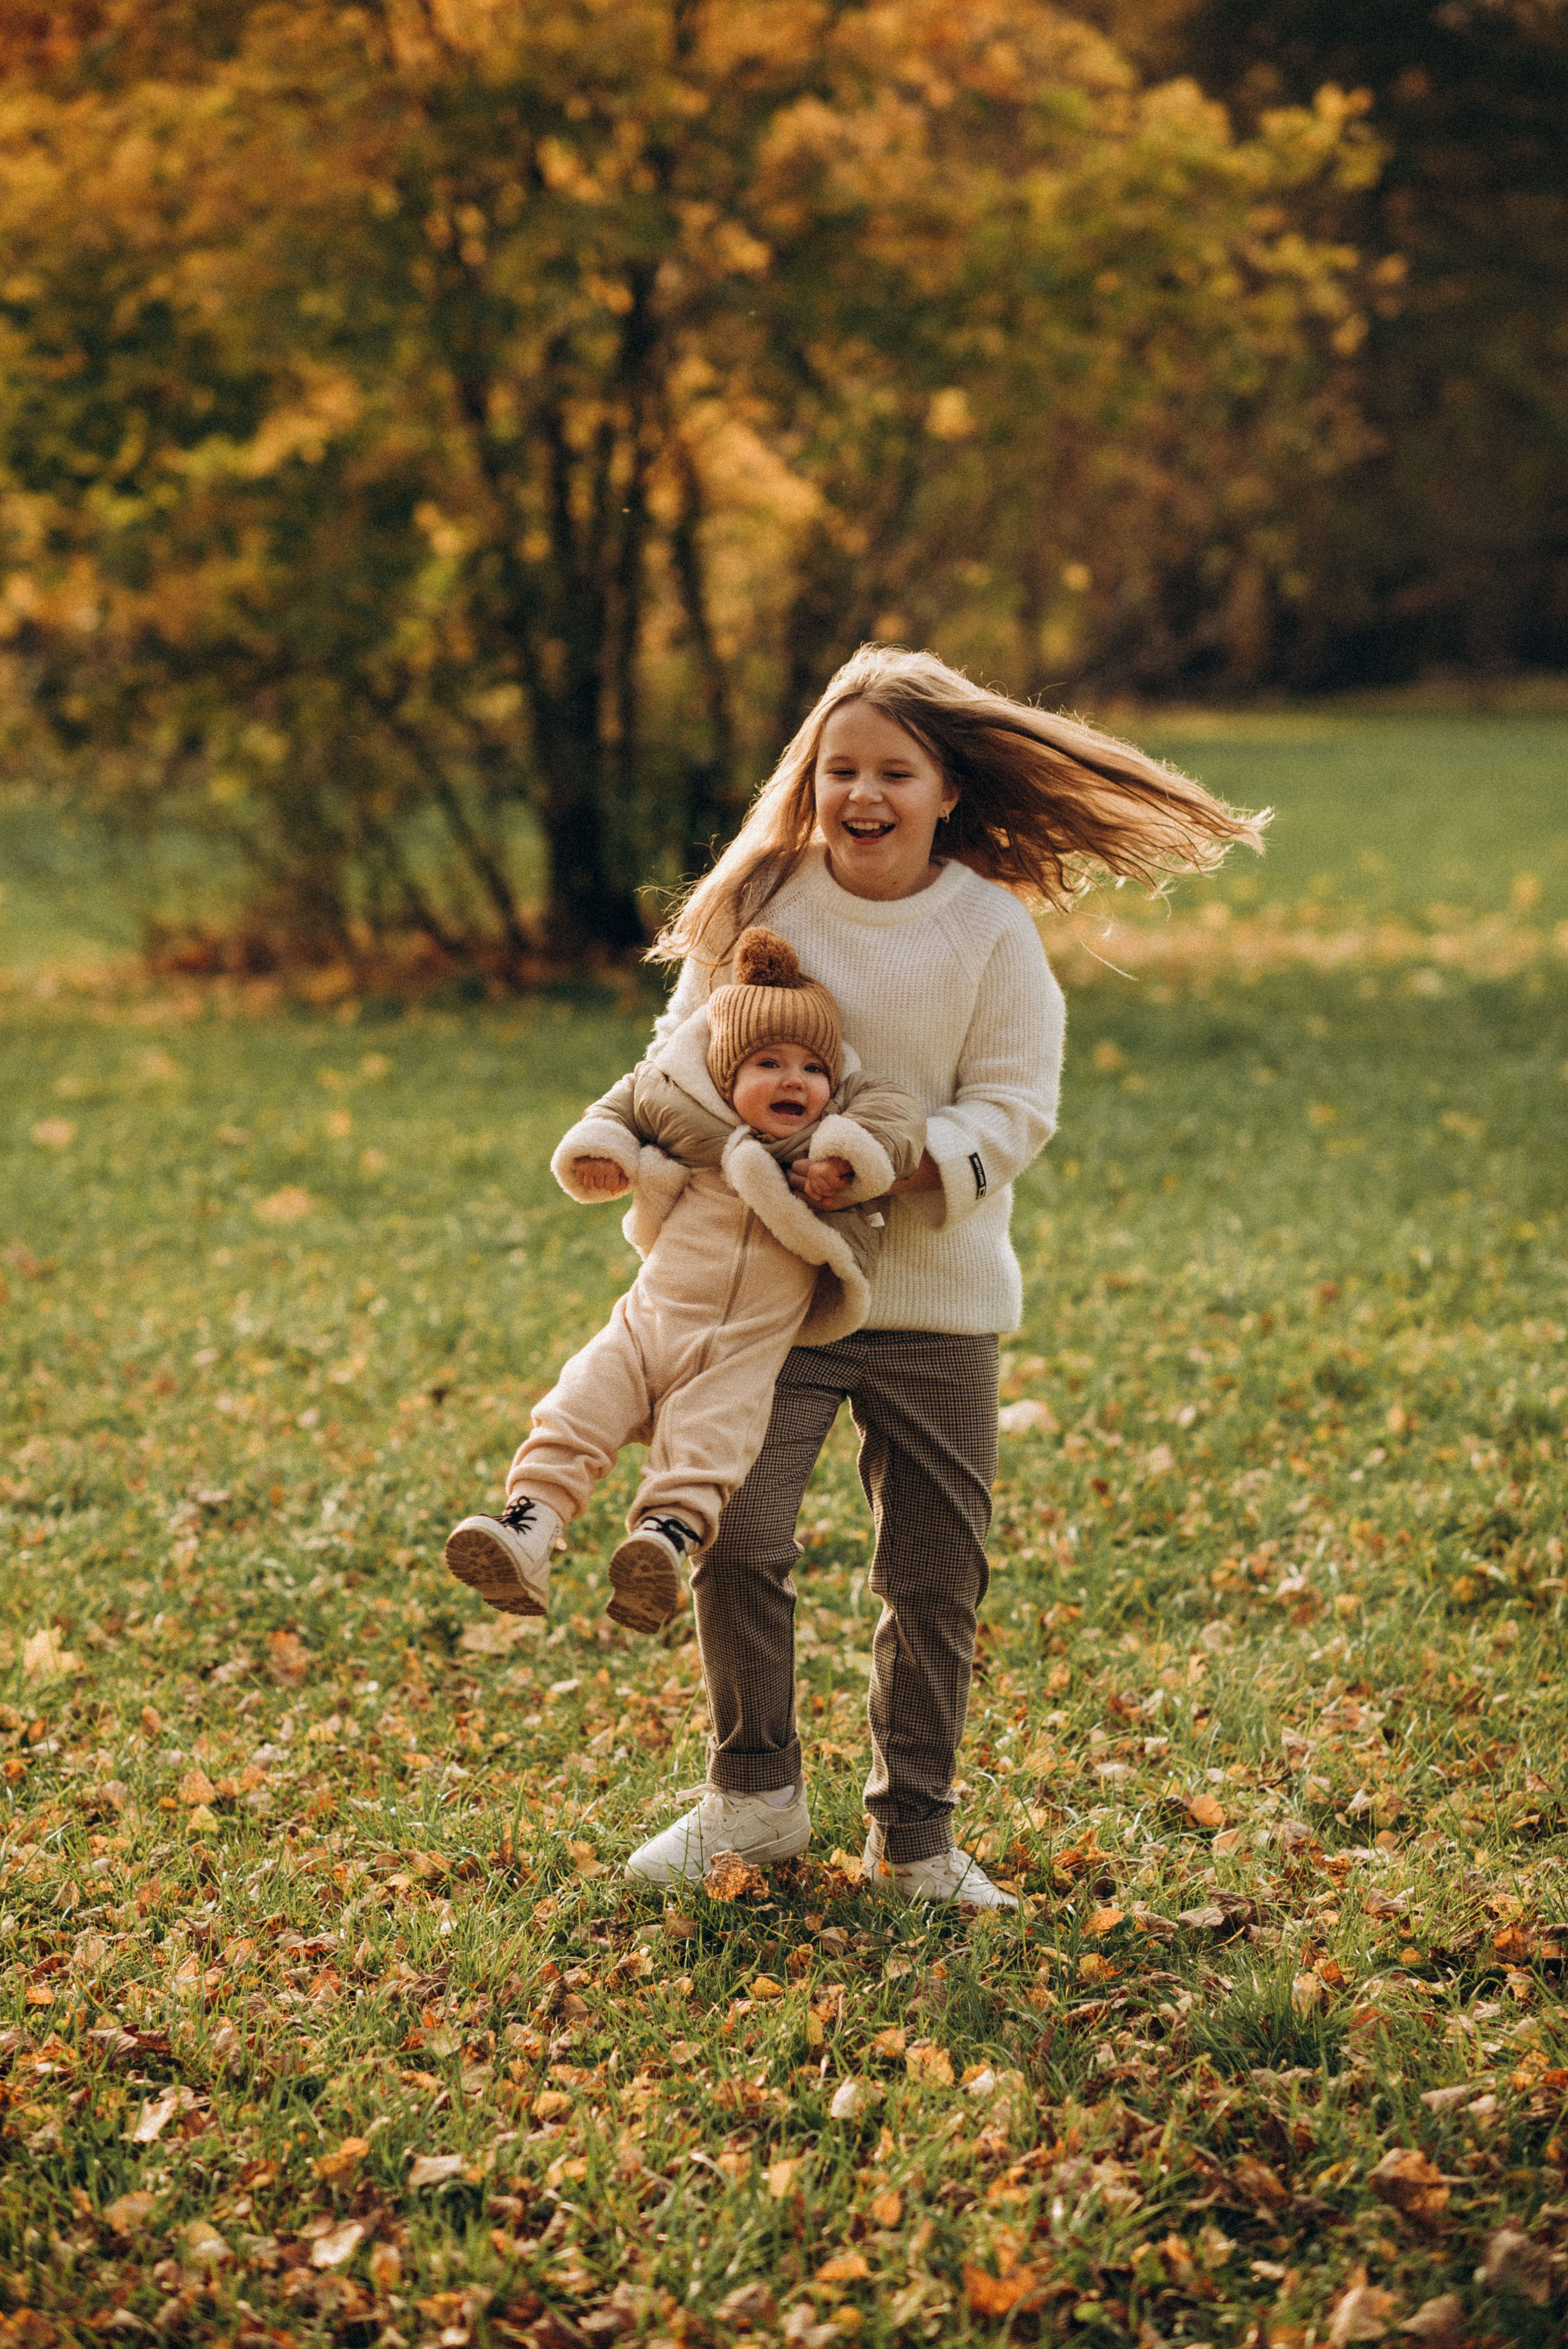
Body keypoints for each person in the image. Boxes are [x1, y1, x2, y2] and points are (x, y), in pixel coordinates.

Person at [619, 643, 1265, 1906]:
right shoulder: (759, 900)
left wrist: (902, 1171)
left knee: (931, 1576)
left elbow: (1017, 1103)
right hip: (776, 1299)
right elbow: (676, 1067)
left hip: (936, 1306)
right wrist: (666, 1192)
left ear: (945, 788)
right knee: (738, 1533)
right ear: (811, 777)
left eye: (892, 772)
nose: (861, 794)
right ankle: (750, 1799)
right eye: (839, 767)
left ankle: (913, 1837)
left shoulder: (984, 926)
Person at [444, 927, 925, 1635]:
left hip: (742, 1347)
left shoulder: (824, 1141)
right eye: (767, 1062)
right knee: (580, 1403)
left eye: (811, 1068)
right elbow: (620, 1108)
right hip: (651, 1320)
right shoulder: (688, 1116)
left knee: (710, 1441)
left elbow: (896, 1123)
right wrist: (603, 1157)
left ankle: (660, 1544)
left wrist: (846, 1166)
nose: (794, 1080)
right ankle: (527, 1527)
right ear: (726, 1075)